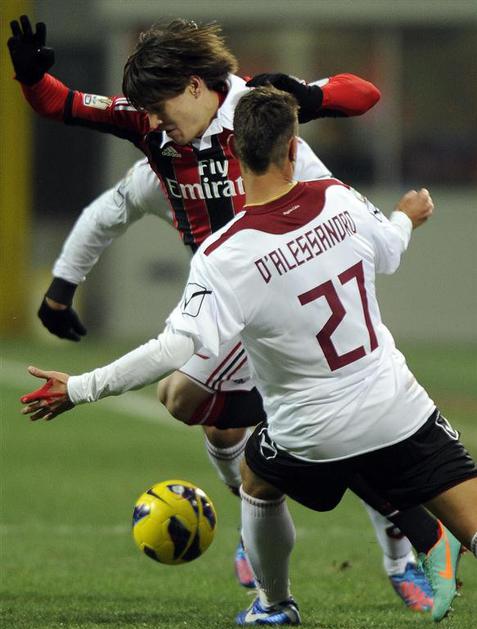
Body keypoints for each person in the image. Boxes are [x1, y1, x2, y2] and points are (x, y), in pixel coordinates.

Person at [8, 15, 439, 608]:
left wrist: (308, 95)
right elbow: (64, 106)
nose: (153, 123)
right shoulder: (150, 126)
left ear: (194, 85)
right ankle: (263, 506)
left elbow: (364, 95)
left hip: (298, 278)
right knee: (192, 405)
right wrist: (33, 79)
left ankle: (398, 553)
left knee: (306, 424)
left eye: (160, 109)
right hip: (236, 291)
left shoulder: (258, 105)